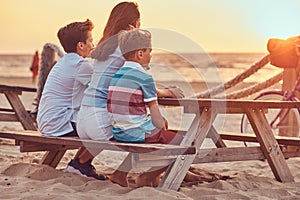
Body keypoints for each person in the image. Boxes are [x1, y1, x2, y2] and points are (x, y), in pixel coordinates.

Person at [76, 1, 184, 186]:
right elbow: (137, 80)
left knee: (140, 124)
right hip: (101, 119)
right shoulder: (125, 45)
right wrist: (166, 92)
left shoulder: (104, 44)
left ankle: (152, 173)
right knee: (151, 126)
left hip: (83, 119)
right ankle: (147, 176)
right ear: (134, 23)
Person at [37, 19, 106, 180]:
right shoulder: (81, 65)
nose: (93, 45)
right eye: (91, 41)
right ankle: (80, 163)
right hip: (59, 123)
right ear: (80, 45)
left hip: (48, 122)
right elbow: (107, 88)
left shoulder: (64, 62)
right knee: (111, 125)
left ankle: (81, 164)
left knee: (97, 121)